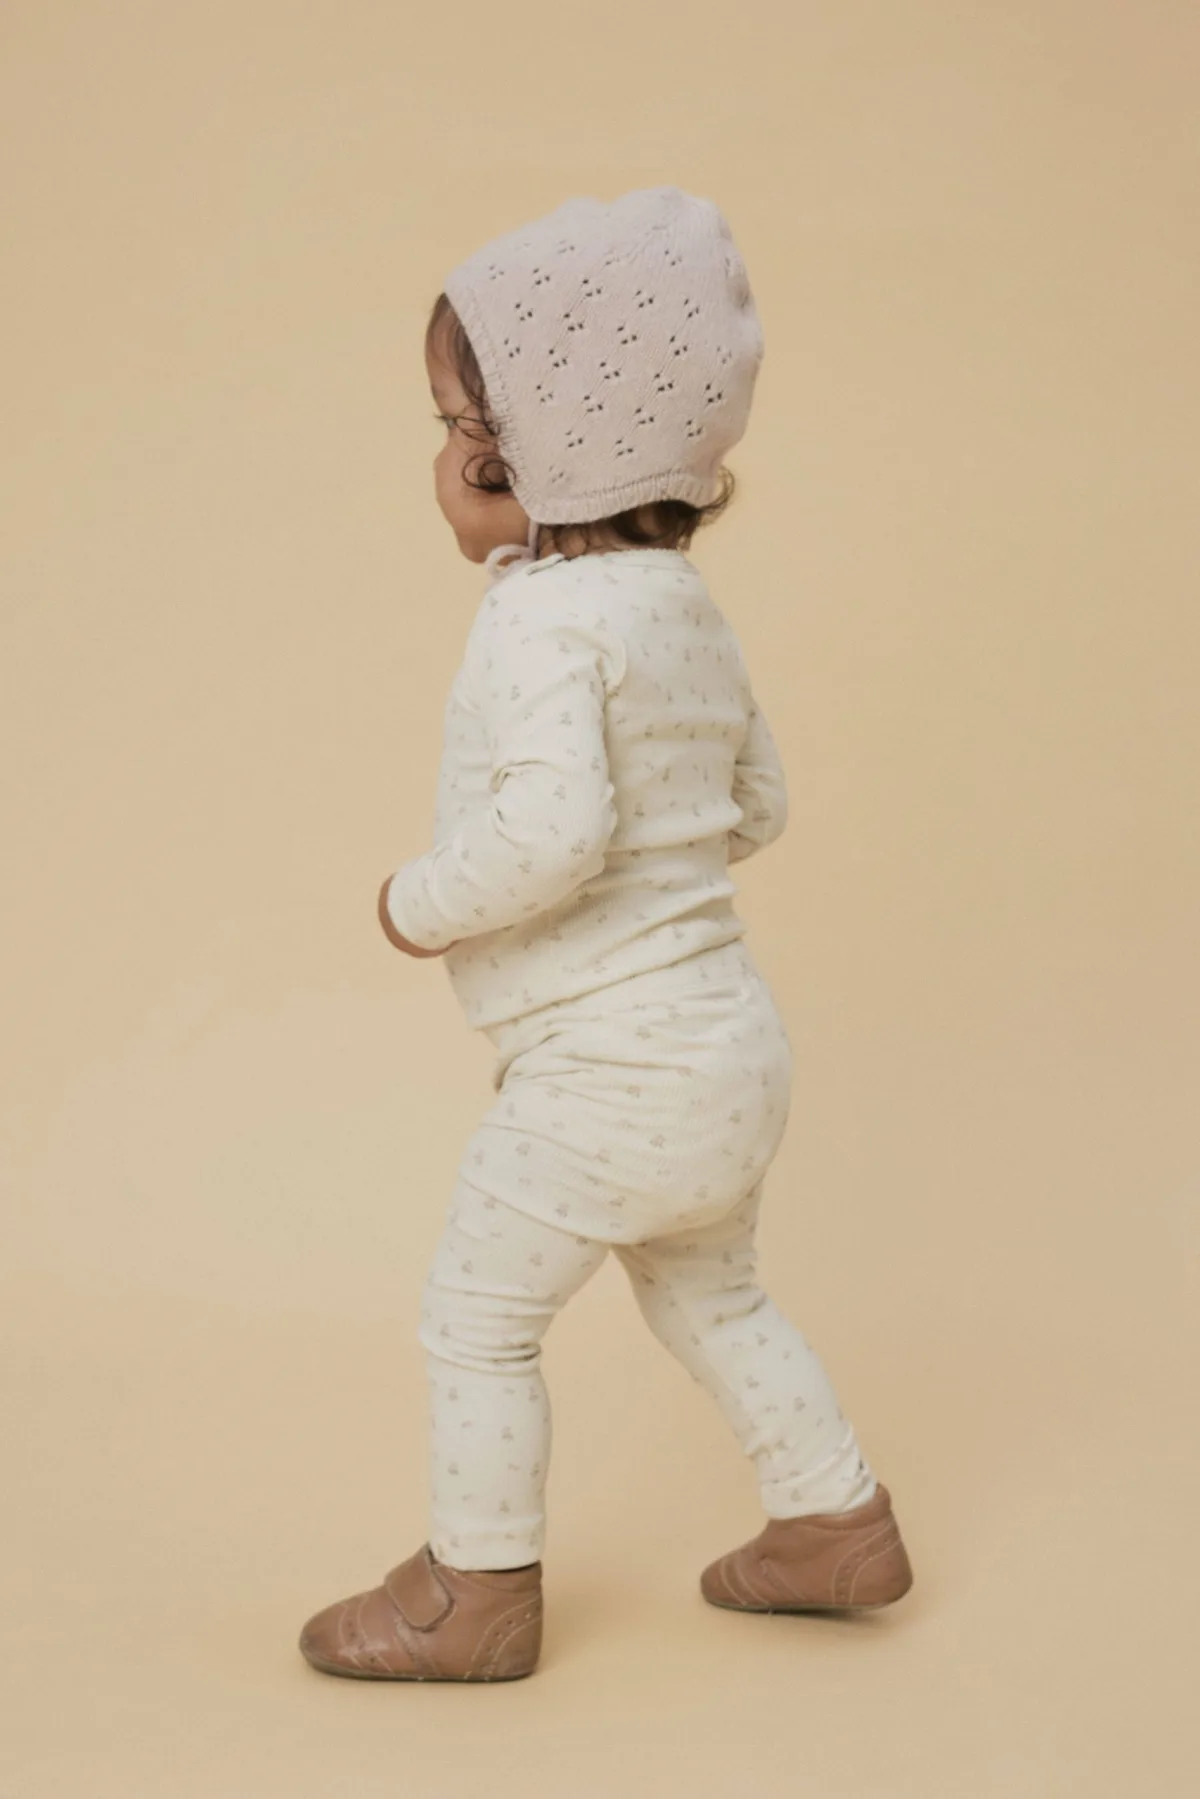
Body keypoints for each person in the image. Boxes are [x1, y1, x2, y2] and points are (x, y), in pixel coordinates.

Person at [298, 185, 913, 1684]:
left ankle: (475, 1592)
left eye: (458, 426)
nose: (440, 458)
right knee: (714, 1292)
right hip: (729, 1052)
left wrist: (415, 902)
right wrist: (666, 860)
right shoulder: (681, 605)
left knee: (476, 1319)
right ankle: (833, 1516)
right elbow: (756, 803)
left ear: (533, 454)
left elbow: (553, 834)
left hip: (609, 1079)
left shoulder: (541, 619)